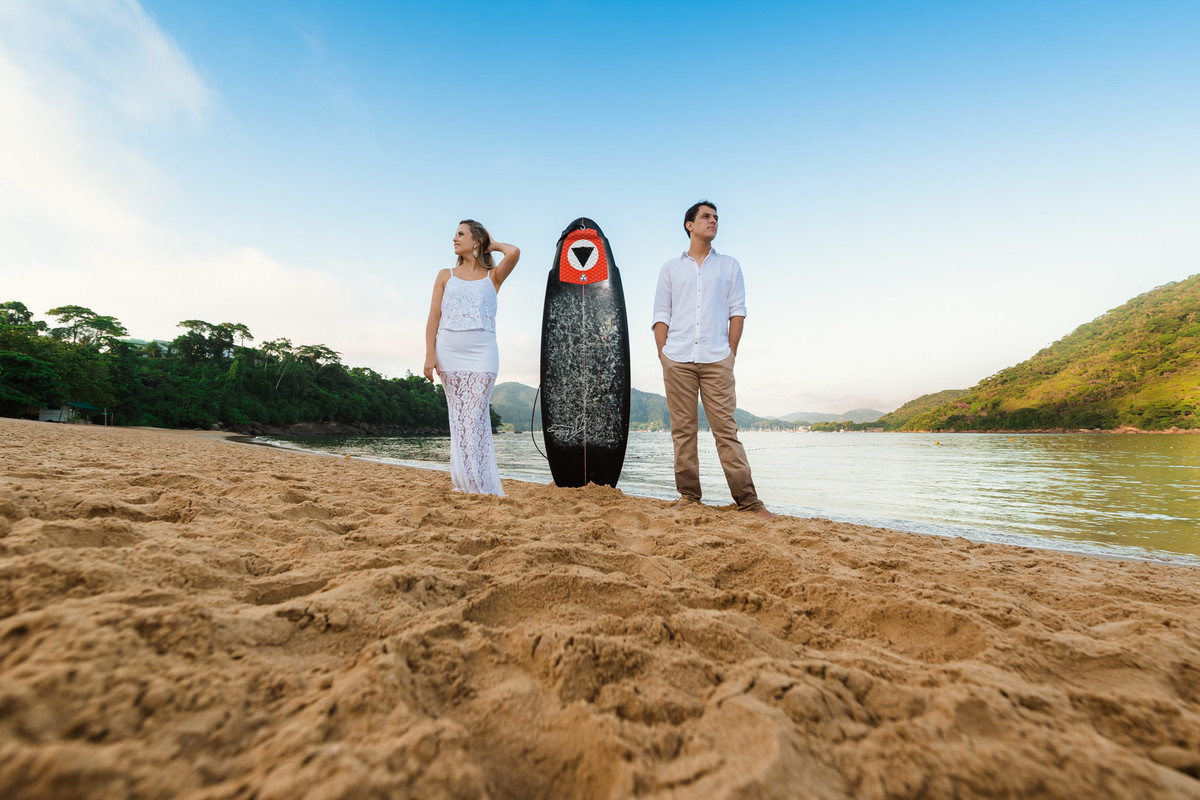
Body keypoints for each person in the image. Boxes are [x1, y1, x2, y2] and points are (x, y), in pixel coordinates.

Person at [652, 201, 775, 519]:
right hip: (677, 357)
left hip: (717, 357)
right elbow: (661, 313)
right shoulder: (670, 268)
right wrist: (663, 353)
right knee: (682, 430)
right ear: (689, 225)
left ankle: (748, 501)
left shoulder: (730, 266)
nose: (713, 221)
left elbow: (738, 310)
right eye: (706, 216)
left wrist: (730, 352)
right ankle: (689, 496)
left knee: (726, 430)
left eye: (716, 217)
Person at [424, 220, 520, 495]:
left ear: (476, 241)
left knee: (476, 416)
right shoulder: (445, 275)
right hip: (449, 349)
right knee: (459, 418)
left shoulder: (493, 276)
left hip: (483, 351)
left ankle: (483, 484)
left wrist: (493, 244)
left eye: (461, 234)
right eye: (455, 234)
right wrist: (430, 354)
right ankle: (465, 483)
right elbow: (434, 317)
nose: (454, 238)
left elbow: (513, 252)